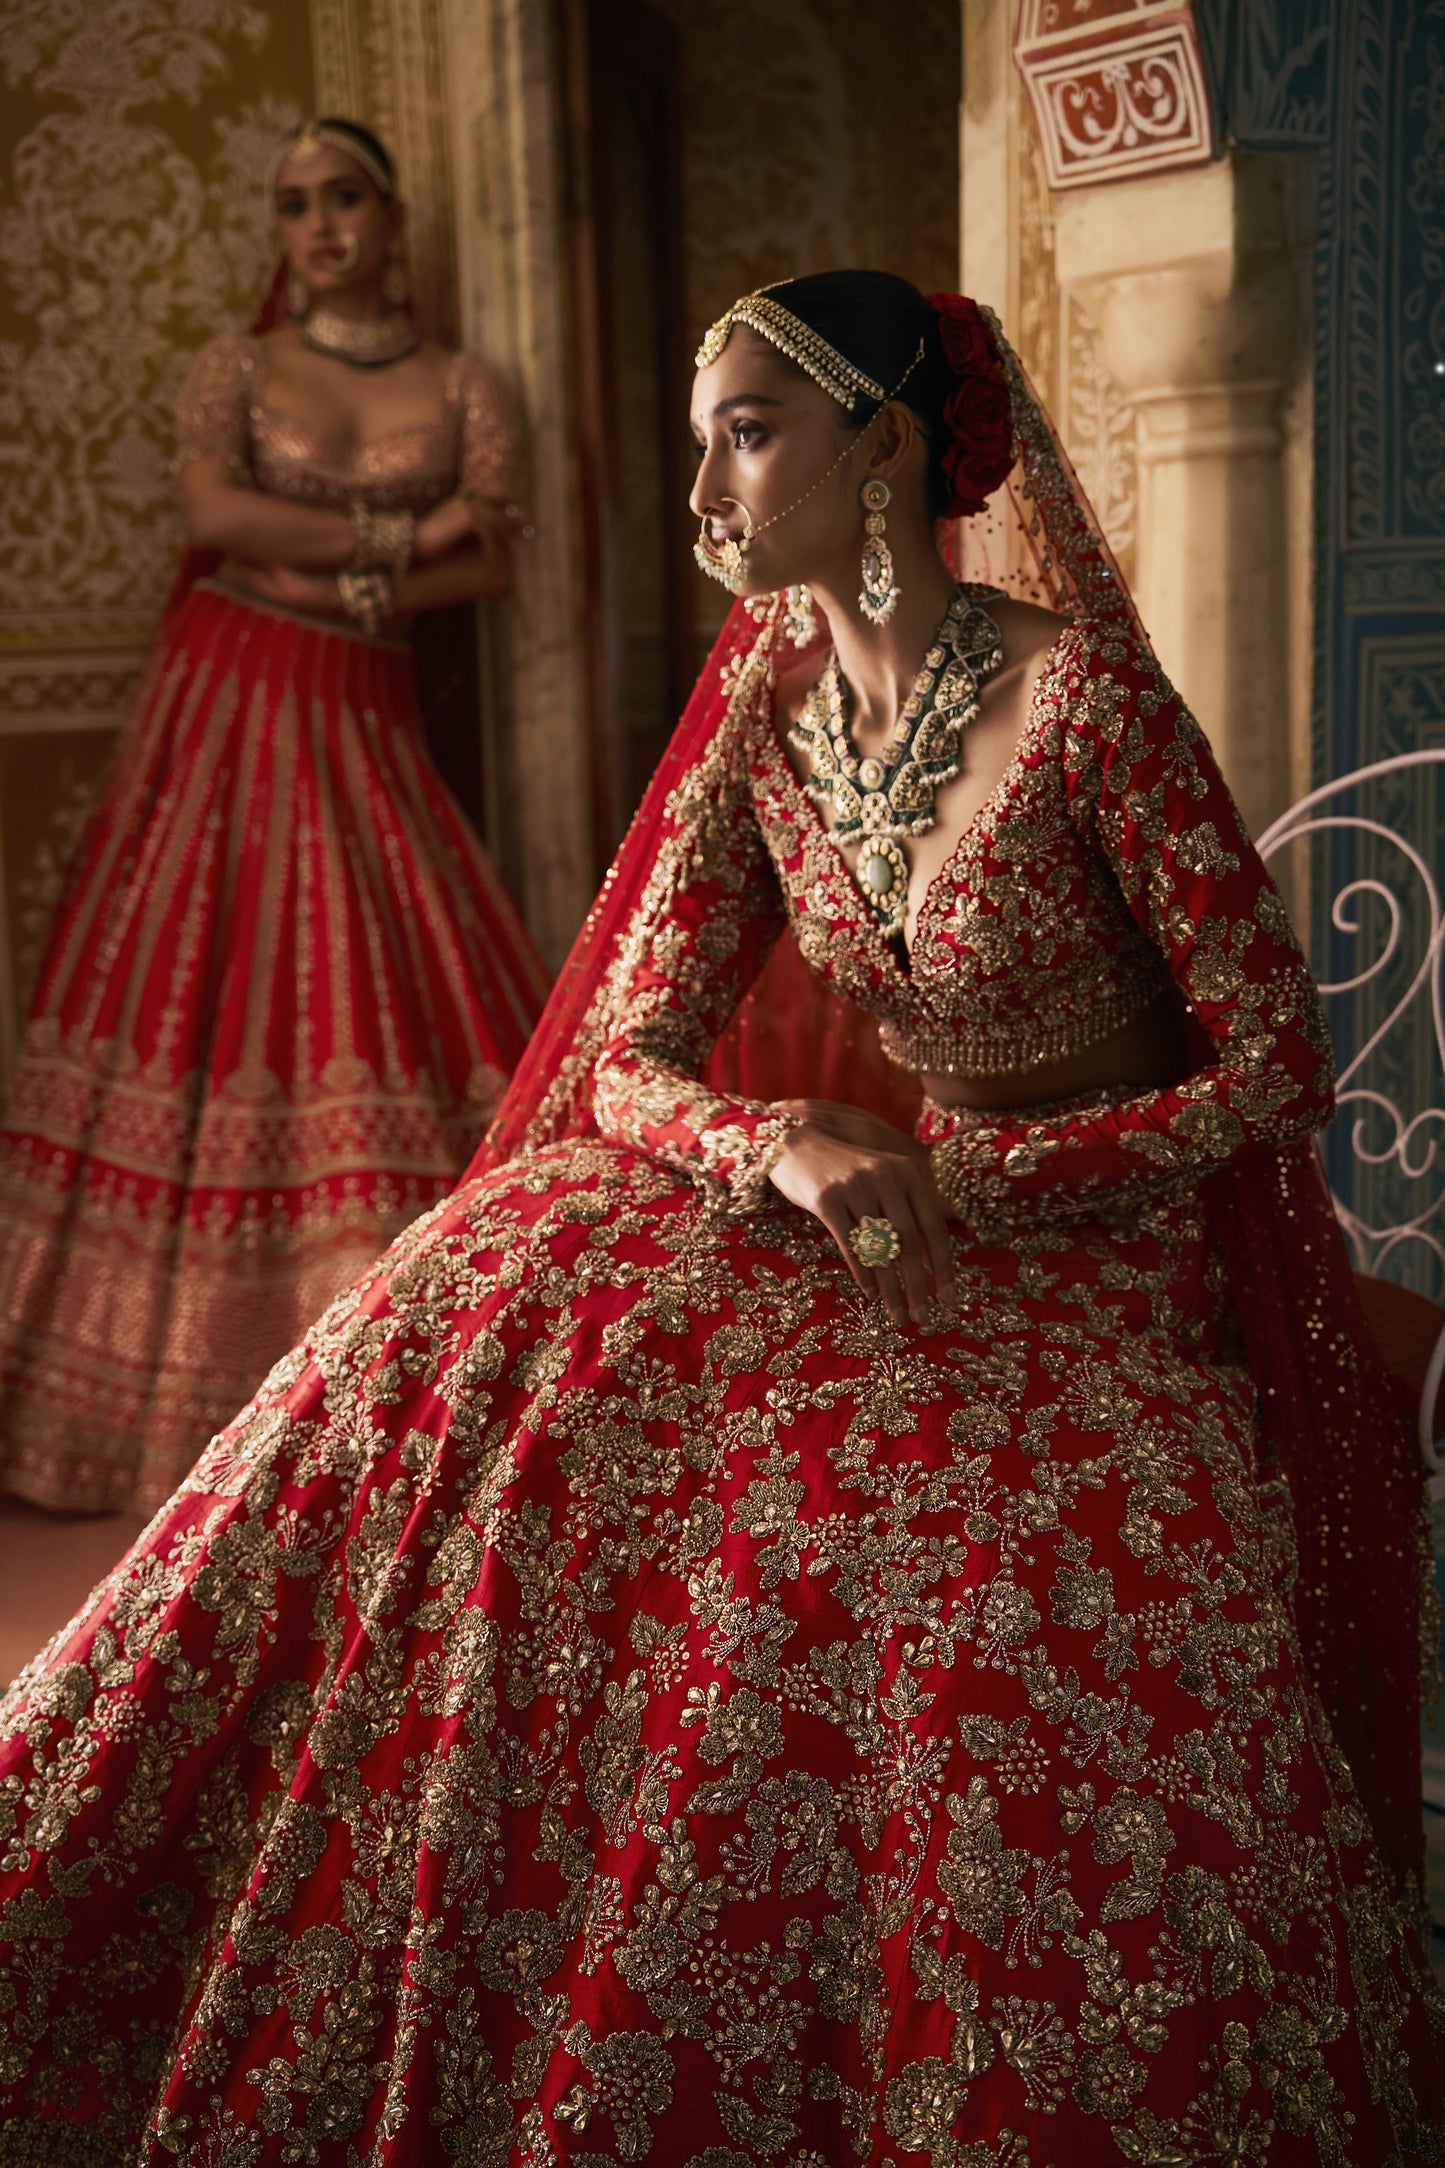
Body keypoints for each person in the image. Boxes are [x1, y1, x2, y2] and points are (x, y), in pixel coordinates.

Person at [1, 270, 1440, 2164]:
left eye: (746, 437)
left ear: (884, 448)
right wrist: (786, 1146)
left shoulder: (1077, 699)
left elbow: (1267, 1068)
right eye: (703, 442)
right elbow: (626, 1061)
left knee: (892, 1557)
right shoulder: (767, 708)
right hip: (875, 1208)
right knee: (488, 1313)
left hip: (1098, 1254)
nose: (705, 496)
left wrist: (992, 1176)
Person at [0, 118, 549, 1517]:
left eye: (344, 196)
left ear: (391, 213)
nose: (317, 225)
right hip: (228, 705)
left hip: (360, 707)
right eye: (293, 204)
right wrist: (386, 543)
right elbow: (213, 508)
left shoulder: (464, 382)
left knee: (369, 985)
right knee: (210, 989)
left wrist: (347, 585)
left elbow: (488, 551)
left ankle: (389, 1401)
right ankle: (160, 1410)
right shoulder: (236, 368)